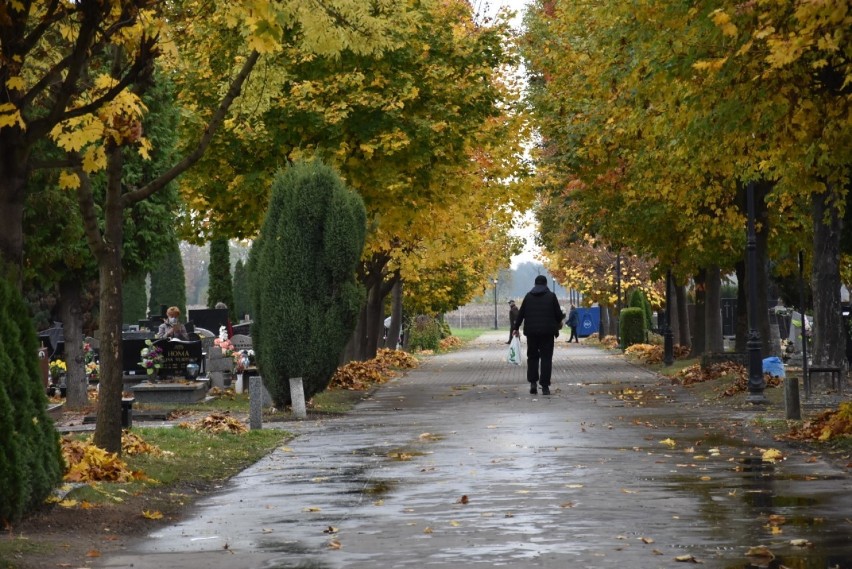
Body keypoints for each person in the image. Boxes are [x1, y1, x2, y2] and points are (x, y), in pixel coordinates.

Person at [512, 276, 565, 395]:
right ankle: (545, 386)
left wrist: (516, 328)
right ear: (546, 284)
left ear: (535, 284)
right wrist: (560, 319)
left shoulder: (528, 296)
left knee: (532, 357)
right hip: (547, 333)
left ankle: (533, 383)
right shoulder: (551, 296)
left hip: (532, 333)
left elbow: (521, 314)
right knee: (546, 358)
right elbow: (558, 314)